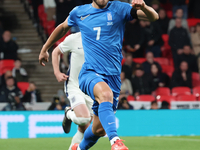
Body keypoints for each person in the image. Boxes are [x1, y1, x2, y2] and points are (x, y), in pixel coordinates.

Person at [39, 0, 158, 149]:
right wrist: (45, 48)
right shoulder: (80, 12)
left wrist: (145, 7)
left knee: (98, 130)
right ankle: (115, 141)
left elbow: (153, 17)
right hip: (89, 73)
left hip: (113, 77)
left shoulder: (120, 8)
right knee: (105, 95)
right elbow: (63, 27)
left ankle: (79, 148)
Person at [51, 32, 93, 150]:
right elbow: (55, 52)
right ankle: (68, 113)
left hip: (91, 88)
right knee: (84, 119)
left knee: (87, 130)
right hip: (74, 86)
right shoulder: (74, 38)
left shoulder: (100, 38)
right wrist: (57, 72)